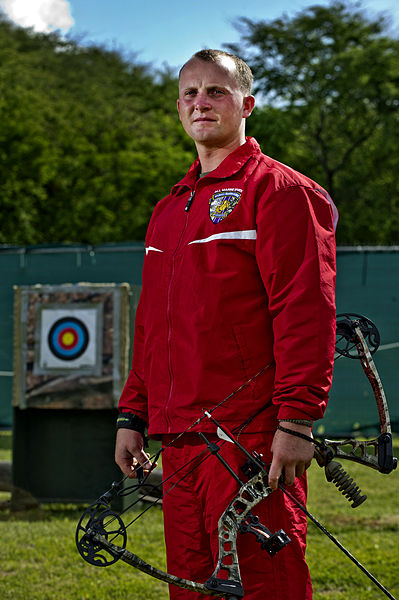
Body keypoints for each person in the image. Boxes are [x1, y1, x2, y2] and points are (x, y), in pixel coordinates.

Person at [115, 49, 337, 600]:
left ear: (247, 104)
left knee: (263, 584)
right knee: (192, 585)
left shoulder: (282, 191)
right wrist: (132, 412)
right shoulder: (171, 207)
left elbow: (304, 312)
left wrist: (297, 421)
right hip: (181, 439)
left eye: (215, 91)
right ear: (178, 107)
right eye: (190, 92)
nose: (201, 102)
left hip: (251, 435)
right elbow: (152, 326)